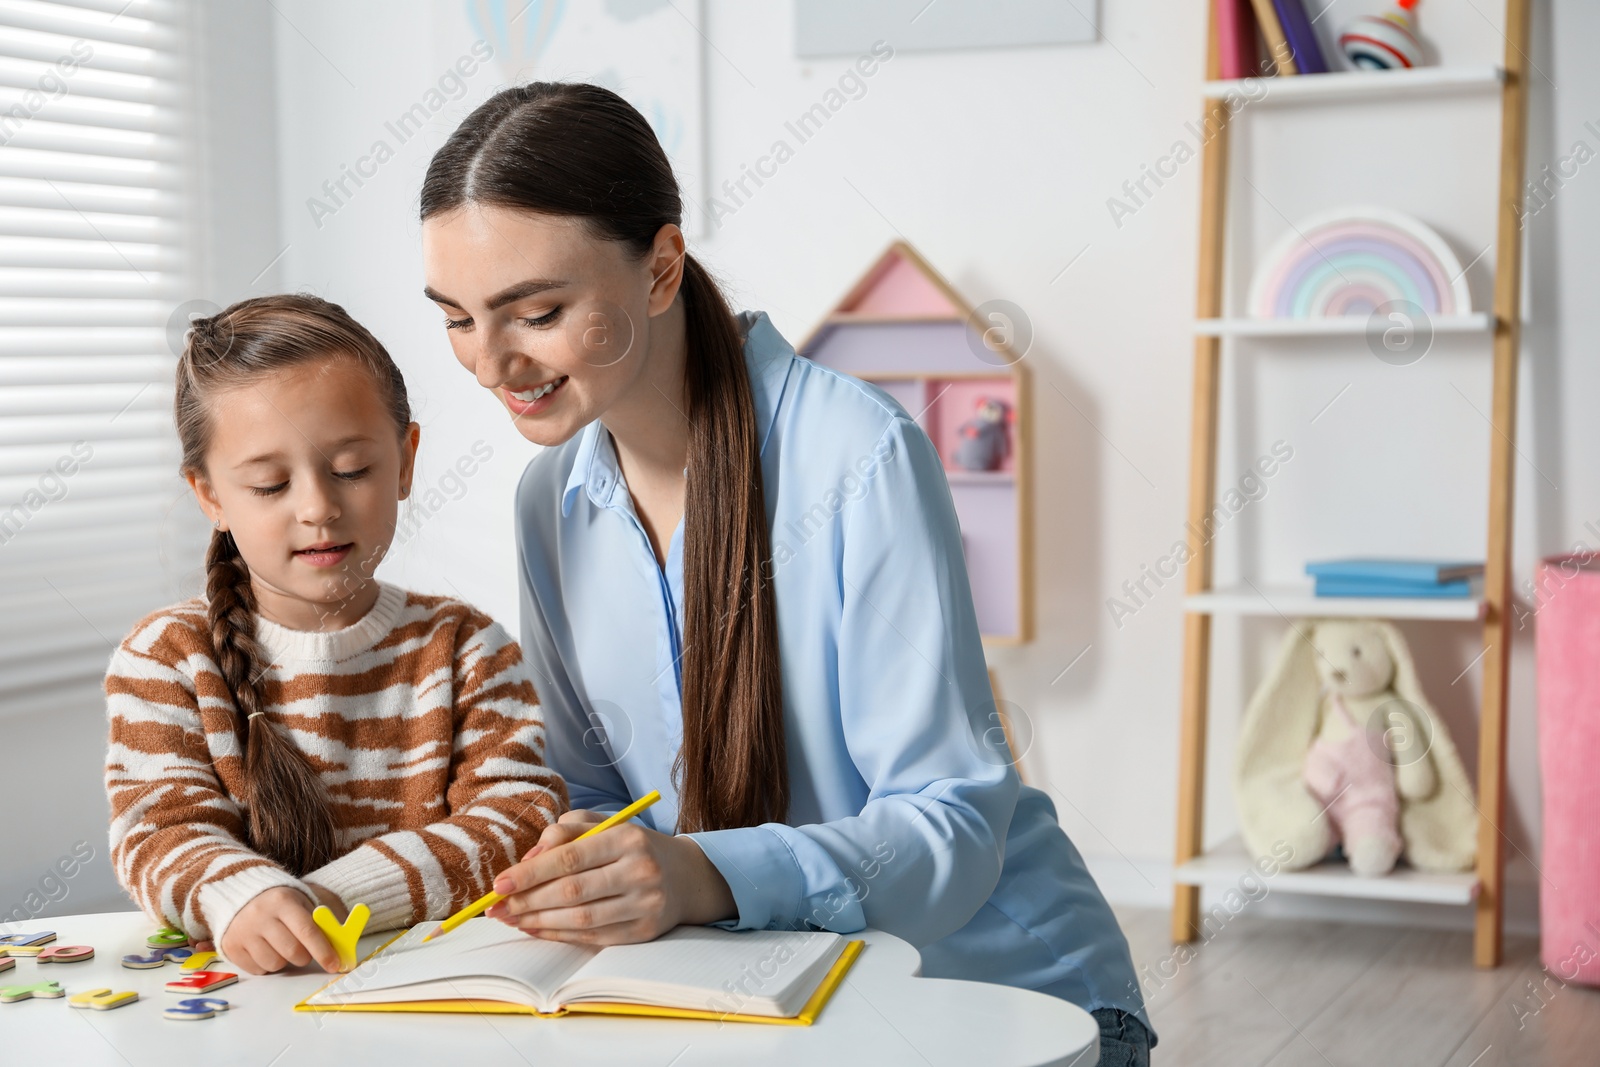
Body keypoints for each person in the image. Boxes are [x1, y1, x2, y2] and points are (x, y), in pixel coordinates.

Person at [419, 83, 1154, 1063]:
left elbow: (953, 825)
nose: (490, 363)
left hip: (996, 998)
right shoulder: (549, 500)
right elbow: (591, 786)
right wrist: (578, 862)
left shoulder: (858, 453)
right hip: (760, 994)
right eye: (457, 319)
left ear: (661, 267)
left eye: (537, 311)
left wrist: (697, 873)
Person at [103, 294, 566, 975]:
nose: (318, 507)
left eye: (352, 470)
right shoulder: (166, 658)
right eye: (269, 484)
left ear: (406, 462)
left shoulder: (467, 647)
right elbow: (158, 831)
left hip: (428, 996)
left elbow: (517, 816)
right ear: (210, 496)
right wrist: (245, 896)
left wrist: (330, 899)